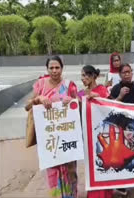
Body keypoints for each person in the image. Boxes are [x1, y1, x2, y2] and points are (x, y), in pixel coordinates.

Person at [25, 56, 78, 198]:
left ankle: (71, 195)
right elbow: (27, 106)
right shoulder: (40, 85)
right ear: (47, 69)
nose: (54, 71)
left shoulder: (69, 85)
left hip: (67, 137)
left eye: (57, 67)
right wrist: (38, 99)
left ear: (62, 68)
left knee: (70, 170)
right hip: (49, 139)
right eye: (51, 68)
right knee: (53, 171)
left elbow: (79, 105)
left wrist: (73, 100)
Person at [77, 65, 113, 198]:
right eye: (82, 76)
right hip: (88, 135)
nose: (83, 79)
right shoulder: (81, 93)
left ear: (93, 76)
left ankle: (105, 193)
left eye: (85, 75)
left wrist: (97, 97)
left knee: (104, 164)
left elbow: (109, 108)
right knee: (92, 166)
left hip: (102, 135)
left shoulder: (102, 90)